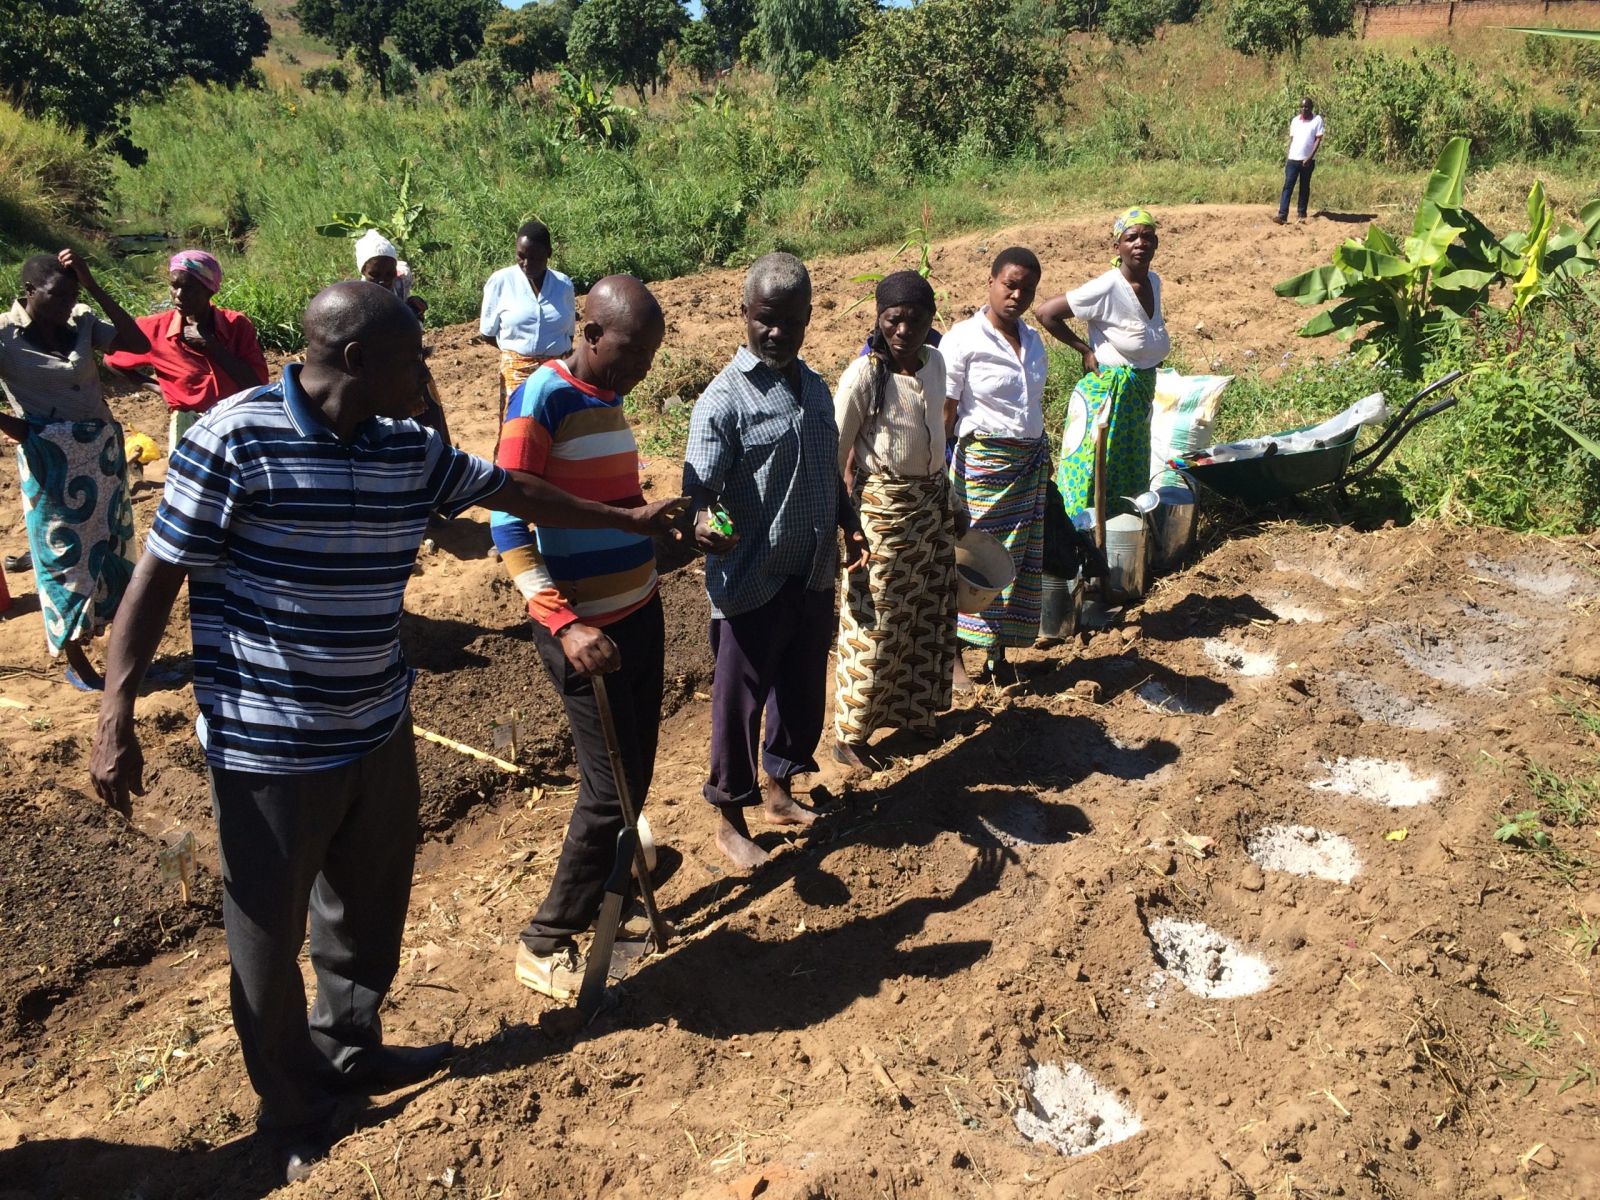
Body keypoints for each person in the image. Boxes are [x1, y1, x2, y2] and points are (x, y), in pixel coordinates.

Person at [87, 282, 688, 1184]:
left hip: (376, 724)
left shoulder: (407, 448)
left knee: (368, 914)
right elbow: (157, 577)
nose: (431, 370)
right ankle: (287, 1111)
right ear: (355, 360)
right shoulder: (234, 437)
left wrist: (625, 519)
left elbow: (513, 488)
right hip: (269, 747)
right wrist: (114, 712)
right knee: (267, 938)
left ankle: (352, 1048)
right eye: (414, 356)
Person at [490, 275, 670, 1001]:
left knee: (638, 777)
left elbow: (612, 502)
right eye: (629, 356)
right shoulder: (542, 396)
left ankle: (608, 901)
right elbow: (505, 518)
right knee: (606, 792)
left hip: (639, 608)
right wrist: (564, 622)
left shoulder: (609, 394)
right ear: (589, 332)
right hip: (584, 630)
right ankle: (545, 940)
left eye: (650, 360)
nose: (638, 373)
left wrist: (671, 530)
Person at [684, 252, 867, 872]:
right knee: (739, 703)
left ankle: (780, 792)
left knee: (799, 688)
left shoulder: (814, 389)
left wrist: (850, 525)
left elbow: (827, 473)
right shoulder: (722, 402)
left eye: (791, 321)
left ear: (809, 317)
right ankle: (729, 820)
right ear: (744, 315)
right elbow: (696, 495)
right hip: (751, 579)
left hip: (811, 569)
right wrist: (705, 525)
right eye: (765, 320)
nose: (777, 333)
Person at [0, 249, 150, 689]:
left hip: (102, 452)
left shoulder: (83, 321)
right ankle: (76, 659)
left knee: (113, 549)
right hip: (49, 462)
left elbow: (138, 345)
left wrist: (93, 284)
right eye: (56, 295)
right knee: (59, 559)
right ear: (28, 291)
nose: (66, 303)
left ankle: (116, 648)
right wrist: (22, 431)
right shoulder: (4, 336)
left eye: (72, 293)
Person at [831, 271, 956, 770]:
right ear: (879, 319)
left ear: (931, 320)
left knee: (926, 611)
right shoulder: (864, 375)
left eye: (915, 319)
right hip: (883, 511)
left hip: (930, 504)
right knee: (875, 621)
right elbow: (835, 451)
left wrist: (952, 502)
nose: (903, 330)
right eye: (893, 320)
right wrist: (849, 525)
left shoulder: (937, 363)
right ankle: (851, 734)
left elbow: (939, 437)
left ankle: (914, 714)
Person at [940, 247, 1049, 687]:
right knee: (969, 560)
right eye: (1010, 284)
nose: (1017, 295)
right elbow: (945, 415)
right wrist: (938, 475)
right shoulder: (963, 339)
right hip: (982, 466)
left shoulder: (1034, 340)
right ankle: (954, 657)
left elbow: (1031, 406)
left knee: (1014, 565)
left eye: (1027, 288)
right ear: (991, 281)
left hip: (1027, 465)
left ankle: (997, 655)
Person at [1036, 208, 1171, 533]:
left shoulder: (1153, 281)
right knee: (1092, 470)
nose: (1140, 243)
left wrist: (1150, 356)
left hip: (1138, 392)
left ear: (1156, 243)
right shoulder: (1109, 286)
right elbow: (1046, 312)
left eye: (1147, 237)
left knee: (1127, 469)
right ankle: (1075, 543)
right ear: (1118, 247)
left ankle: (1117, 538)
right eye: (1131, 237)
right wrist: (1084, 349)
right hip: (1107, 394)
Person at [104, 249, 269, 453]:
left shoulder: (236, 325)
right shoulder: (154, 329)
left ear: (210, 291)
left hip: (236, 421)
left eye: (189, 288)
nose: (178, 296)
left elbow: (258, 384)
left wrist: (212, 346)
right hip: (188, 426)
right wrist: (157, 388)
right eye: (174, 286)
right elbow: (111, 361)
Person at [355, 230, 450, 444]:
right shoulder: (358, 304)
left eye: (389, 275)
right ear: (363, 271)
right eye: (375, 275)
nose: (382, 281)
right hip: (382, 382)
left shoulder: (401, 293)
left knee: (432, 432)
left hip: (414, 375)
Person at [479, 220, 577, 422]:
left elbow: (568, 332)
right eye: (521, 256)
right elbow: (487, 333)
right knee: (518, 425)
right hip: (517, 370)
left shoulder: (563, 285)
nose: (526, 264)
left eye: (535, 258)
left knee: (557, 426)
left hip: (556, 370)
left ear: (549, 253)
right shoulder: (500, 282)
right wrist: (518, 353)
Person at [1274, 96, 1325, 225]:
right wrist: (1288, 155)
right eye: (1302, 107)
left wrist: (1310, 157)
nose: (1304, 109)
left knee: (1304, 186)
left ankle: (1301, 213)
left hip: (1307, 160)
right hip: (1293, 158)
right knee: (1288, 186)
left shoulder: (1317, 120)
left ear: (1311, 108)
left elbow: (1318, 140)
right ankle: (1282, 215)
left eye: (1306, 107)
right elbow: (1293, 140)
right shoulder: (1295, 121)